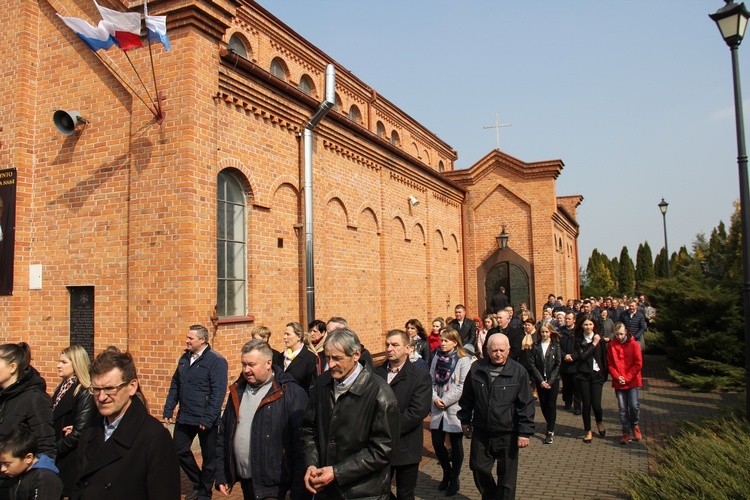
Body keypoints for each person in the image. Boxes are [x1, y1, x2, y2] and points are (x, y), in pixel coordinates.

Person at [301, 328, 399, 499]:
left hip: (363, 492)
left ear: (356, 355)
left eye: (337, 358)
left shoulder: (381, 395)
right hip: (326, 489)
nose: (330, 364)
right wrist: (311, 464)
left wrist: (337, 472)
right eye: (327, 357)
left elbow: (382, 449)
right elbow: (310, 429)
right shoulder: (322, 383)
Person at [75, 349, 180, 499]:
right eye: (96, 389)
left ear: (132, 387)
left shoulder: (154, 437)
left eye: (110, 388)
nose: (102, 397)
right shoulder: (90, 431)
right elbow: (79, 488)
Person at [215, 340, 309, 499]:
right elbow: (224, 434)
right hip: (246, 481)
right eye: (243, 364)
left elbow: (302, 444)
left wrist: (298, 489)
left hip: (275, 487)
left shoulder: (290, 393)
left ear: (268, 363)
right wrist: (222, 473)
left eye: (251, 364)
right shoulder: (237, 391)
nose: (246, 370)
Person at [458, 334, 535, 500]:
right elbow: (467, 397)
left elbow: (526, 404)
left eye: (502, 350)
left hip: (507, 433)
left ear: (508, 350)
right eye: (494, 350)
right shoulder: (477, 369)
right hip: (481, 432)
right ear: (487, 351)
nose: (498, 354)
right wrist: (464, 420)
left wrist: (525, 432)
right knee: (478, 468)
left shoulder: (518, 372)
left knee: (507, 478)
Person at [163, 325, 228, 500]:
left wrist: (208, 418)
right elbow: (175, 384)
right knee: (178, 450)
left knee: (209, 459)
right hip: (185, 415)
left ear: (203, 340)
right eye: (187, 337)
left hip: (206, 418)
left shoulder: (216, 361)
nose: (187, 341)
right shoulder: (184, 358)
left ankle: (204, 494)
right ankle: (198, 482)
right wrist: (169, 408)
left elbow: (218, 392)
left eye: (190, 338)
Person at [373, 330, 431, 500]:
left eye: (395, 345)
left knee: (405, 493)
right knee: (378, 491)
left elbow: (416, 412)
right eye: (387, 344)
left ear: (407, 348)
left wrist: (386, 428)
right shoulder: (375, 374)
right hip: (379, 447)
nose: (390, 348)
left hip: (406, 446)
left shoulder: (419, 377)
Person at [0, 343, 55, 500]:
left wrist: (32, 485)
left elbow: (46, 446)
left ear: (12, 367)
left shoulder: (34, 398)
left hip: (16, 487)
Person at [429, 327, 472, 496]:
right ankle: (446, 471)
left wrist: (446, 400)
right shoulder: (437, 357)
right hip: (437, 405)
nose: (443, 343)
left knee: (455, 443)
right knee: (437, 442)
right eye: (441, 339)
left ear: (455, 342)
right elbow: (431, 379)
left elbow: (463, 384)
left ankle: (455, 477)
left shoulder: (463, 360)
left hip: (454, 407)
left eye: (446, 340)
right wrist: (434, 398)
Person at [52, 345, 98, 497]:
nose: (59, 365)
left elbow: (79, 432)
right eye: (59, 361)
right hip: (59, 455)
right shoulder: (62, 387)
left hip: (70, 457)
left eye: (64, 362)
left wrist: (53, 450)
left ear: (76, 363)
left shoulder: (83, 391)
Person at [0, 426, 62, 500]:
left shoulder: (44, 479)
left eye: (7, 464)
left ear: (28, 458)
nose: (2, 469)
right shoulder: (18, 474)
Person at [607, 322, 643, 445]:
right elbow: (610, 364)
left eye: (621, 334)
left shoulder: (634, 345)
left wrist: (627, 378)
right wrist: (617, 377)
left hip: (632, 380)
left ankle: (635, 425)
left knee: (634, 405)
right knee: (622, 409)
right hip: (619, 382)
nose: (620, 337)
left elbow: (638, 364)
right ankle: (626, 432)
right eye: (617, 335)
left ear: (626, 332)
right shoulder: (612, 346)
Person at [575, 313, 608, 443]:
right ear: (582, 326)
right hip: (583, 374)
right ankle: (588, 430)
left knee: (597, 404)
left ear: (594, 325)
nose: (588, 327)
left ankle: (599, 421)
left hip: (597, 374)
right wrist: (593, 344)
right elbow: (582, 356)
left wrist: (604, 374)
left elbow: (604, 358)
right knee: (586, 404)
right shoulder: (578, 340)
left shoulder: (599, 339)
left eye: (590, 324)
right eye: (585, 324)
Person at [528, 323, 561, 444]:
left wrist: (550, 380)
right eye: (542, 332)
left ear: (551, 332)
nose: (545, 334)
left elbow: (558, 363)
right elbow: (532, 364)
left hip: (553, 380)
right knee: (543, 404)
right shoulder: (535, 346)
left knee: (551, 404)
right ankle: (549, 421)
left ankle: (550, 430)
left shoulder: (555, 346)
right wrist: (541, 380)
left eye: (547, 332)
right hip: (540, 379)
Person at [282, 322, 319, 394]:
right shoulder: (280, 357)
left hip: (300, 401)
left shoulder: (310, 358)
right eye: (284, 334)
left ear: (298, 336)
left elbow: (313, 386)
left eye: (288, 334)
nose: (284, 337)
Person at [559, 312, 581, 414]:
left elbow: (581, 347)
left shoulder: (578, 332)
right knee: (566, 385)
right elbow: (557, 346)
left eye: (569, 319)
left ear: (574, 320)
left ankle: (577, 406)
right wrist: (564, 356)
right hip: (564, 363)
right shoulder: (560, 332)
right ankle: (567, 402)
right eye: (566, 319)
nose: (567, 321)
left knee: (577, 386)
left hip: (575, 363)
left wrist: (573, 356)